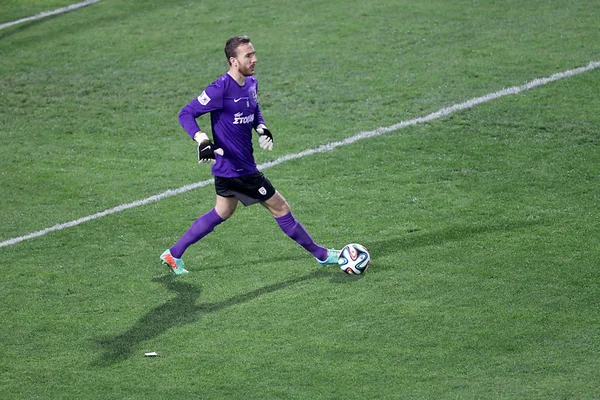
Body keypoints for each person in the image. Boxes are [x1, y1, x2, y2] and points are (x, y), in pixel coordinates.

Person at [160, 35, 339, 275]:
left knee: (222, 211)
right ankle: (322, 255)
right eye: (249, 56)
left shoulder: (251, 83)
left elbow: (254, 108)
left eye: (254, 54)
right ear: (234, 61)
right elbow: (186, 113)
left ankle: (174, 253)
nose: (255, 59)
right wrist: (201, 139)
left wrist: (261, 127)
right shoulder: (220, 88)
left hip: (228, 168)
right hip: (239, 170)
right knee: (281, 208)